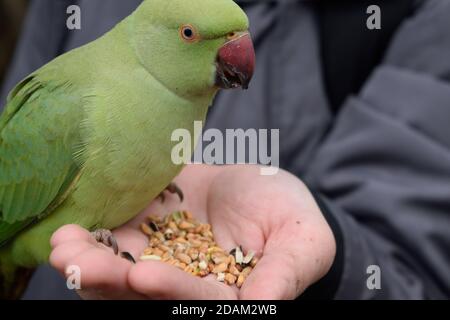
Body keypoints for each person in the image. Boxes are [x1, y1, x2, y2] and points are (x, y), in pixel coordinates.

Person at [1, 0, 450, 299]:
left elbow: (417, 272)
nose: (232, 53)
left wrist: (330, 257)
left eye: (235, 39)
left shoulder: (417, 16)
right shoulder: (71, 104)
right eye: (192, 35)